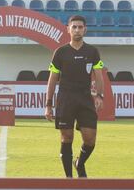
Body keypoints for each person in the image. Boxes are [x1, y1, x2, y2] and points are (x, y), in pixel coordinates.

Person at [45, 15, 105, 178]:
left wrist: (100, 95)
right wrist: (48, 104)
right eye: (74, 27)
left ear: (85, 29)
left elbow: (98, 75)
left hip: (85, 98)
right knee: (66, 138)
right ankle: (69, 179)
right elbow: (52, 78)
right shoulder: (60, 52)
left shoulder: (92, 52)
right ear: (68, 29)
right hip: (66, 98)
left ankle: (79, 163)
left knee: (90, 139)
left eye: (80, 27)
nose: (77, 30)